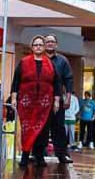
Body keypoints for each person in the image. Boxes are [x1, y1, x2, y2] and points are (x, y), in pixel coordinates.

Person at [11, 35, 60, 167]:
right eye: (36, 45)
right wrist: (14, 97)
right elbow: (16, 81)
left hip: (45, 103)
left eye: (41, 45)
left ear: (44, 47)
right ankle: (25, 156)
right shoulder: (24, 62)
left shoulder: (50, 64)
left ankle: (39, 156)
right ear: (32, 47)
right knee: (27, 129)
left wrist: (56, 100)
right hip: (27, 103)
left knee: (43, 130)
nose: (38, 47)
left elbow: (56, 83)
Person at [44, 33, 74, 163]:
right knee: (41, 127)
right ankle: (39, 153)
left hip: (57, 99)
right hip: (40, 100)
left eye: (52, 41)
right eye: (47, 41)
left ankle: (62, 154)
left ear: (56, 44)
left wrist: (68, 98)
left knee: (59, 127)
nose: (50, 43)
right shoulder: (38, 58)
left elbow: (69, 80)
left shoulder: (62, 60)